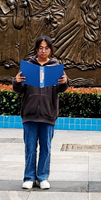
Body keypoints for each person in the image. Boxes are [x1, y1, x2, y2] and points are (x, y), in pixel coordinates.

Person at [13, 36, 69, 190]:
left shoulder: (55, 66)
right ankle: (29, 177)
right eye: (40, 48)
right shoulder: (28, 66)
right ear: (36, 49)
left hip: (48, 113)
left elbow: (62, 88)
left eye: (46, 48)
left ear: (50, 50)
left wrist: (65, 82)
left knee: (46, 148)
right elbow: (18, 89)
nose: (43, 51)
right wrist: (17, 81)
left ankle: (43, 177)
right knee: (30, 148)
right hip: (30, 113)